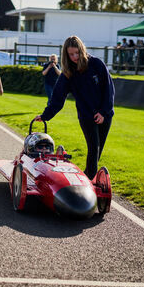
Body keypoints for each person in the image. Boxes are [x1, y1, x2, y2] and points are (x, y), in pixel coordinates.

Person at [34, 35, 114, 181]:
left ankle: (87, 178)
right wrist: (45, 116)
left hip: (105, 114)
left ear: (82, 50)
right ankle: (88, 181)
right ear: (66, 54)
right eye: (71, 54)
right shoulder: (68, 74)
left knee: (98, 151)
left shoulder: (96, 64)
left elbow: (109, 90)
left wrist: (103, 112)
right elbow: (57, 98)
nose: (75, 57)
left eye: (77, 53)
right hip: (87, 116)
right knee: (93, 148)